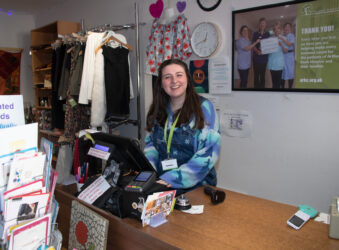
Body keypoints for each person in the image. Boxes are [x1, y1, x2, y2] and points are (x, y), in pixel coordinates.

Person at [144, 59, 220, 193]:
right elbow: (151, 145)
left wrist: (173, 179)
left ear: (188, 79)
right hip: (162, 183)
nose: (174, 81)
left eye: (179, 75)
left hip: (196, 187)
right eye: (167, 77)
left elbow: (207, 154)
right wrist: (149, 174)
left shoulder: (204, 108)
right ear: (161, 83)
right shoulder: (157, 110)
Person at [267, 22, 288, 89]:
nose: (276, 30)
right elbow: (267, 51)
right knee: (273, 82)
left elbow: (286, 51)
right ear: (273, 30)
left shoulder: (284, 38)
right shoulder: (270, 39)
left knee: (278, 83)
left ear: (280, 29)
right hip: (272, 63)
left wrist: (281, 45)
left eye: (278, 28)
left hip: (279, 64)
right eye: (275, 29)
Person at [252, 17, 270, 88]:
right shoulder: (255, 33)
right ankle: (256, 89)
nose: (262, 24)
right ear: (259, 24)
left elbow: (269, 45)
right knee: (256, 75)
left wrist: (264, 51)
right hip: (256, 58)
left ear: (265, 24)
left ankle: (262, 89)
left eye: (264, 23)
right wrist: (257, 51)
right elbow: (253, 45)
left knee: (262, 75)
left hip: (264, 58)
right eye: (261, 23)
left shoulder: (268, 34)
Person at [280, 22, 295, 88]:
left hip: (289, 56)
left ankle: (290, 88)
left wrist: (282, 38)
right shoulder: (282, 36)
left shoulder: (292, 36)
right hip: (282, 57)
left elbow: (289, 44)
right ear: (284, 28)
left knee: (290, 73)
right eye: (286, 27)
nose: (287, 28)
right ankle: (282, 88)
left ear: (290, 28)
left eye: (288, 27)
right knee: (283, 74)